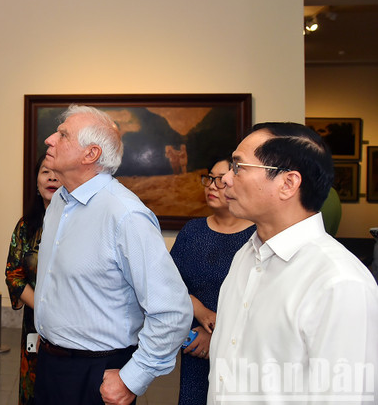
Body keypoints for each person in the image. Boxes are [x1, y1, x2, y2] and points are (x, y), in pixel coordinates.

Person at [34, 105, 192, 405]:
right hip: (51, 363)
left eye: (63, 135)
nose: (50, 140)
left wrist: (134, 378)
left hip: (98, 372)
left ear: (90, 154)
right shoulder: (59, 204)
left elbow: (172, 312)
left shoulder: (125, 215)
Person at [208, 122, 378, 403]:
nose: (225, 178)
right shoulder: (245, 256)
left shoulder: (339, 282)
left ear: (288, 184)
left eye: (238, 167)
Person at [169, 158, 255, 405]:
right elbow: (169, 284)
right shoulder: (192, 231)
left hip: (242, 351)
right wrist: (201, 311)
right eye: (209, 178)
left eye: (221, 179)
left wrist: (218, 335)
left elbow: (259, 299)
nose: (212, 186)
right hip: (196, 345)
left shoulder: (256, 236)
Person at [5, 155, 60, 405]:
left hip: (77, 326)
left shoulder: (81, 225)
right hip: (36, 323)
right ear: (37, 182)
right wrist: (44, 307)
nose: (51, 177)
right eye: (45, 172)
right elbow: (13, 274)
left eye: (57, 172)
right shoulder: (26, 227)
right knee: (34, 390)